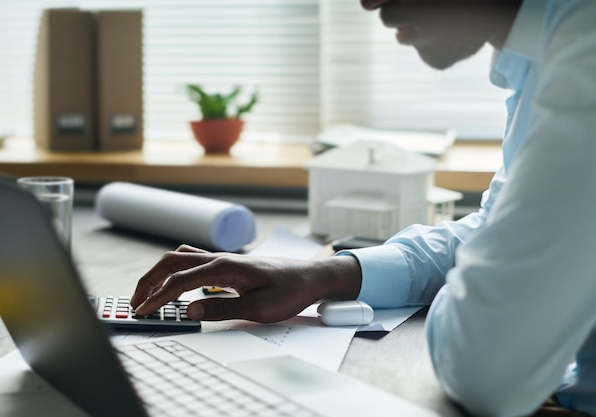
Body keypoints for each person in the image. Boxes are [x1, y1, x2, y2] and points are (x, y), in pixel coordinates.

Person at [131, 1, 596, 416]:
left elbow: (487, 370)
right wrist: (328, 275)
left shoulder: (586, 51)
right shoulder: (540, 57)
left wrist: (487, 283)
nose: (367, 1)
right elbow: (497, 229)